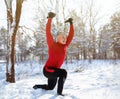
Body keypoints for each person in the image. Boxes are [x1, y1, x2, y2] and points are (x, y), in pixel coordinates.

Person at [33, 12, 74, 96]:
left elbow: (71, 35)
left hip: (54, 71)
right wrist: (50, 19)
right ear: (57, 38)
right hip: (48, 70)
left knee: (50, 87)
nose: (65, 38)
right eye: (62, 37)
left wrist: (71, 24)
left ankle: (37, 86)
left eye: (65, 37)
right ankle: (60, 93)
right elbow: (48, 32)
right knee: (63, 72)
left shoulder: (65, 46)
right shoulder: (52, 45)